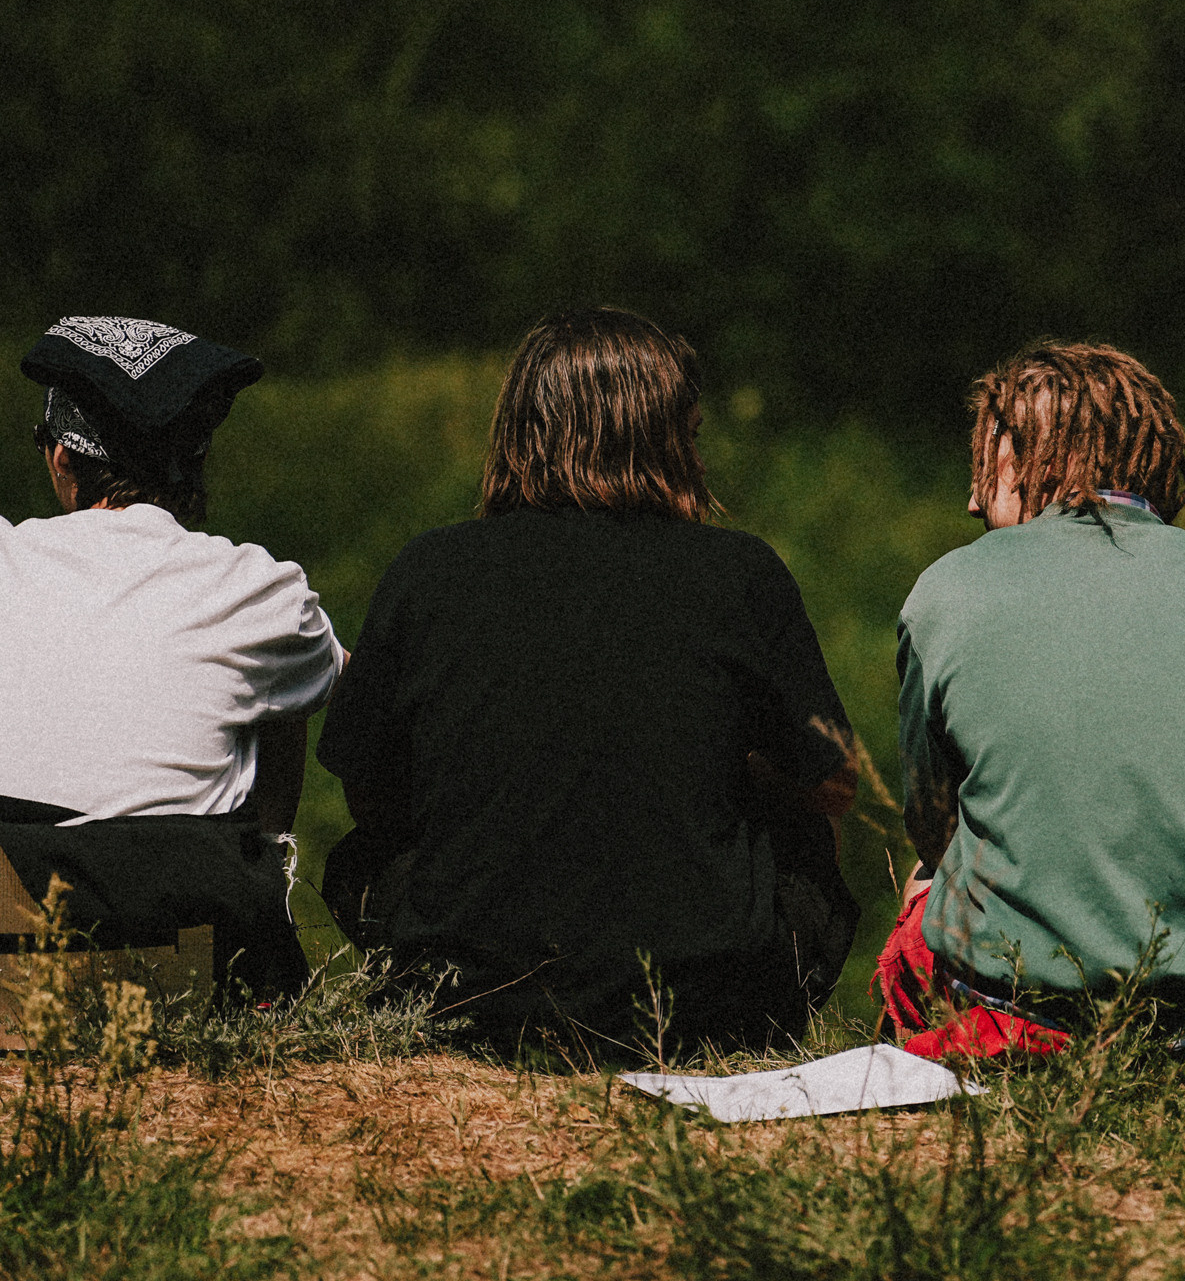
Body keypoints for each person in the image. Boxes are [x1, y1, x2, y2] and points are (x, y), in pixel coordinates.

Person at [316, 306, 860, 1057]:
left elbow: (369, 793)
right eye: (692, 439)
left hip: (468, 999)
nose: (702, 465)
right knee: (809, 837)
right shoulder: (739, 572)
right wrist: (723, 772)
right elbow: (833, 786)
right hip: (698, 1007)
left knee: (358, 860)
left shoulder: (428, 570)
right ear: (662, 441)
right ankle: (754, 1020)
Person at [876, 342, 1185, 1073]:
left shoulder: (944, 592)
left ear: (1034, 457)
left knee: (922, 896)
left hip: (1027, 1021)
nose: (973, 500)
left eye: (988, 464)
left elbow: (936, 829)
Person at [0, 314, 342, 991]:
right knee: (282, 693)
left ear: (61, 457)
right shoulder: (257, 589)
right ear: (193, 457)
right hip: (165, 963)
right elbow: (337, 682)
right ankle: (267, 893)